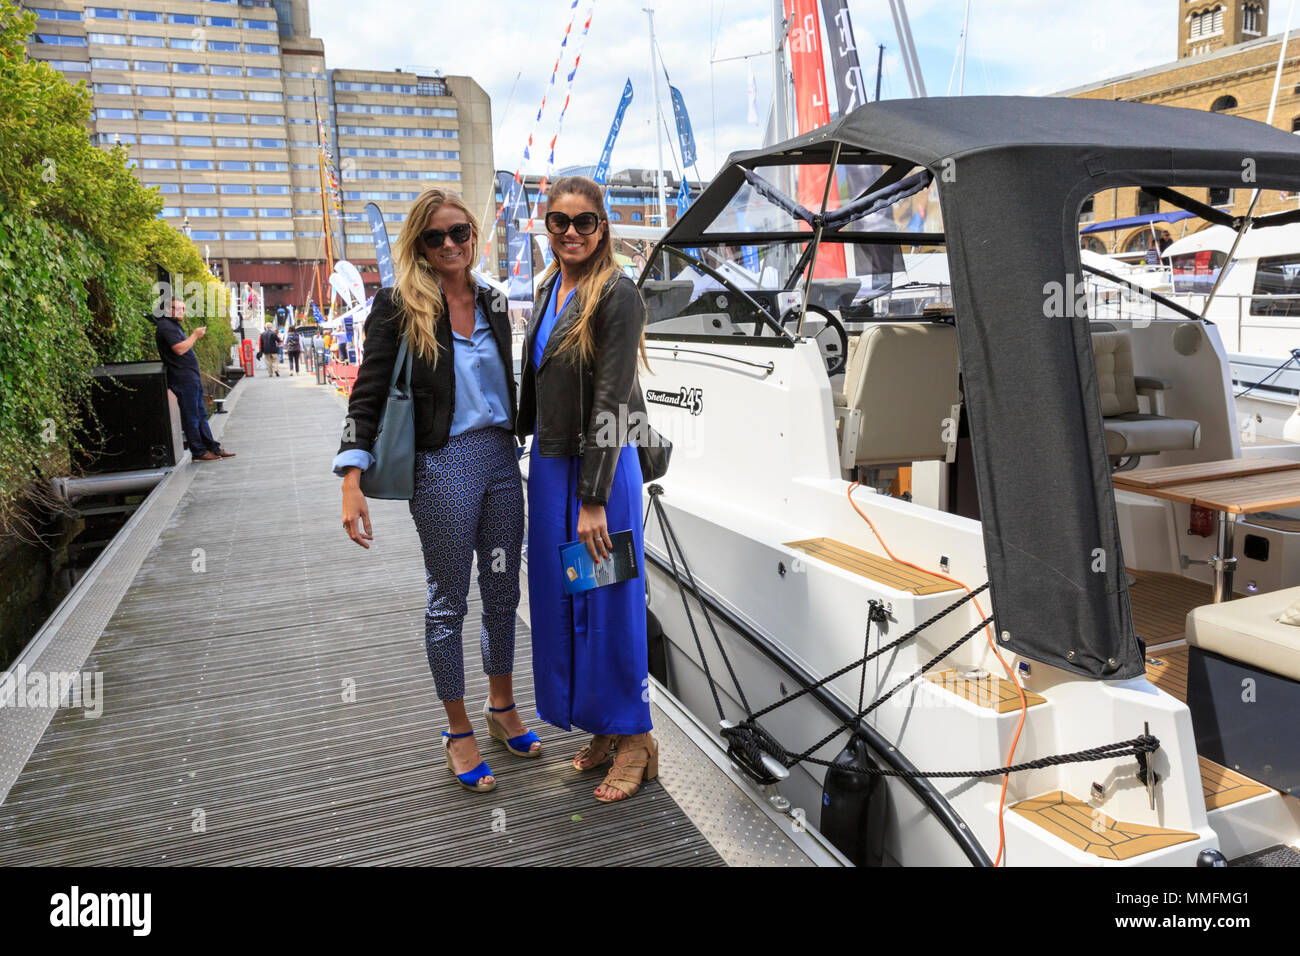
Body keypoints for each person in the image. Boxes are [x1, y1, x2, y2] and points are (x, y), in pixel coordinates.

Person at [335, 187, 536, 794]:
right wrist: (351, 479)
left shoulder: (496, 300)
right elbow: (366, 393)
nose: (451, 245)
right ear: (418, 245)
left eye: (460, 233)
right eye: (436, 236)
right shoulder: (398, 305)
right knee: (449, 599)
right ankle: (457, 728)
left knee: (503, 589)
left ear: (474, 235)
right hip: (441, 463)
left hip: (502, 456)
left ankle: (501, 706)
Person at [516, 175, 656, 803]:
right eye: (558, 221)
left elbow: (612, 400)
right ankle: (601, 724)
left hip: (597, 470)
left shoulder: (617, 294)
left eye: (584, 222)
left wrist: (593, 499)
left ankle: (636, 740)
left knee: (608, 603)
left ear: (604, 228)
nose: (570, 232)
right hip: (552, 465)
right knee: (567, 600)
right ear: (546, 227)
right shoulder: (552, 287)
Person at [154, 299, 235, 462]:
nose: (183, 311)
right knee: (192, 415)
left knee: (200, 413)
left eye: (184, 308)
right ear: (169, 309)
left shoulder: (173, 325)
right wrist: (195, 335)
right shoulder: (165, 326)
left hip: (190, 376)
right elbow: (179, 349)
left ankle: (212, 447)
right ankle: (198, 451)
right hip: (182, 378)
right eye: (179, 308)